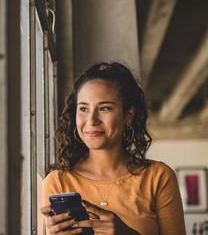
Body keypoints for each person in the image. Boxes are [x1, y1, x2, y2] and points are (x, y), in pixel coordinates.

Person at [41, 62, 186, 235]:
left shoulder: (158, 177)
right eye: (83, 109)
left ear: (129, 115)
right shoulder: (58, 181)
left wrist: (126, 233)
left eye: (104, 108)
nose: (91, 120)